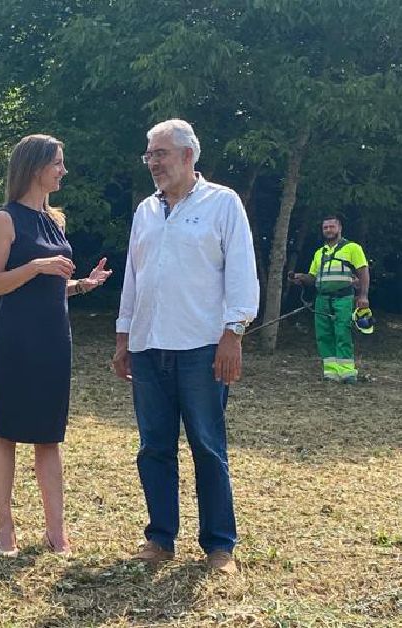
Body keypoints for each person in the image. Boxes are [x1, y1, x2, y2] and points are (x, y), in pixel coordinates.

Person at [111, 119, 258, 574]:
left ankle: (219, 546)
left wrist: (233, 333)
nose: (153, 162)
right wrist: (123, 337)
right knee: (154, 447)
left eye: (160, 154)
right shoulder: (145, 211)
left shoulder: (223, 204)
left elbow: (241, 271)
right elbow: (134, 279)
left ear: (188, 156)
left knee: (207, 447)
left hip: (201, 348)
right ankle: (160, 538)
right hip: (149, 347)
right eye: (149, 155)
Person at [0, 134, 111, 556]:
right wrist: (37, 265)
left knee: (48, 437)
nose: (63, 170)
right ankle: (5, 527)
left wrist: (82, 285)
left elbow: (49, 288)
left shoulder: (55, 220)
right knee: (4, 433)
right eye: (57, 162)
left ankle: (56, 533)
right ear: (35, 167)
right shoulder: (6, 218)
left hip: (55, 339)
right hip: (16, 340)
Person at [288, 216, 370, 383]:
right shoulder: (320, 253)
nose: (328, 230)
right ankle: (331, 373)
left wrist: (363, 296)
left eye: (332, 227)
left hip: (344, 297)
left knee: (342, 332)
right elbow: (312, 277)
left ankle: (347, 373)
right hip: (322, 299)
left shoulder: (352, 248)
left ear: (339, 228)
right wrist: (301, 278)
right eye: (325, 228)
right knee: (324, 335)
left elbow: (363, 271)